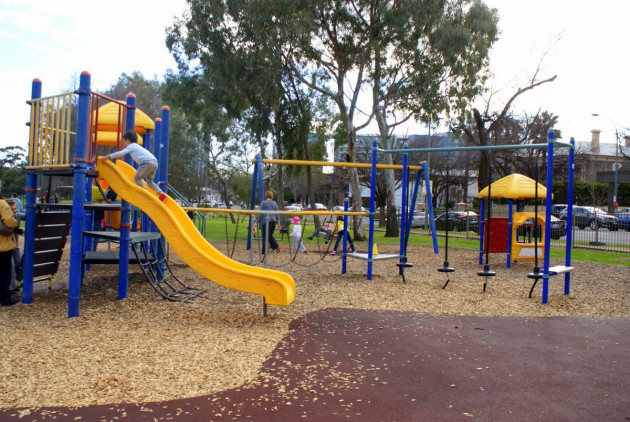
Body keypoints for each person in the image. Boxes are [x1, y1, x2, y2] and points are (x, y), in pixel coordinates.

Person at [101, 130, 167, 202]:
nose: (124, 143)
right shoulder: (137, 146)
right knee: (149, 181)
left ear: (128, 140)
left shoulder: (131, 146)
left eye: (124, 141)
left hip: (147, 163)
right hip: (154, 162)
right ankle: (162, 194)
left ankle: (146, 194)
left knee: (137, 178)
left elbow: (121, 153)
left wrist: (108, 156)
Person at [0, 198, 19, 306]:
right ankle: (4, 298)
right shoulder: (2, 203)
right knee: (5, 272)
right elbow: (10, 222)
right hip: (3, 245)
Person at [6, 199, 24, 292]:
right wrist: (20, 231)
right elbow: (7, 230)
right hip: (6, 246)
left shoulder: (18, 215)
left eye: (15, 209)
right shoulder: (5, 218)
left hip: (15, 245)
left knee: (18, 263)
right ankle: (11, 288)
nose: (14, 211)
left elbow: (28, 216)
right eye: (11, 209)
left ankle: (17, 282)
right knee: (11, 266)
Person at [257, 190, 280, 255]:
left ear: (266, 195)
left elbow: (260, 213)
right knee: (269, 236)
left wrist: (256, 221)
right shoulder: (274, 203)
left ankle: (273, 247)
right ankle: (273, 247)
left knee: (265, 237)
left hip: (265, 222)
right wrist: (278, 223)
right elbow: (277, 214)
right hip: (273, 222)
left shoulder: (263, 203)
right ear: (271, 195)